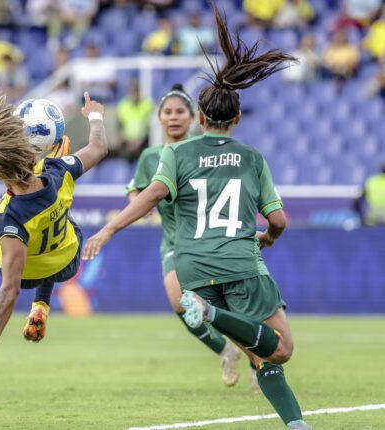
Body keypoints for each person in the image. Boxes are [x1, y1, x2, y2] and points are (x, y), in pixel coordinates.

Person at [83, 5, 311, 429]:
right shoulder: (251, 157)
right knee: (281, 347)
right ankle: (215, 319)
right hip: (240, 263)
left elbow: (150, 196)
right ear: (237, 118)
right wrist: (269, 239)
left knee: (259, 351)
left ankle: (296, 424)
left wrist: (108, 229)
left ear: (199, 119)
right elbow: (279, 220)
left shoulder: (175, 154)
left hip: (190, 266)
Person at [0, 91, 107, 371]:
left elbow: (10, 290)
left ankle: (38, 301)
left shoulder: (9, 218)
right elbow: (98, 148)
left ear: (4, 175)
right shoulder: (59, 170)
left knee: (3, 247)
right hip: (67, 263)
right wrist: (94, 117)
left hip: (25, 275)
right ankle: (43, 304)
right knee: (67, 226)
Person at [125, 83, 243, 388]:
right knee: (180, 304)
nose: (174, 117)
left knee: (231, 308)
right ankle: (225, 350)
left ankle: (259, 361)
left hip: (211, 238)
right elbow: (136, 189)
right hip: (175, 240)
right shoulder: (150, 157)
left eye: (180, 111)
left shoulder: (205, 152)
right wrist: (140, 203)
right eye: (168, 112)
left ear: (194, 117)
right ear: (159, 117)